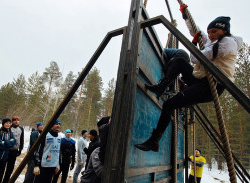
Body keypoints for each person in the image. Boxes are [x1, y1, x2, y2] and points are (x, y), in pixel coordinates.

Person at [135, 14, 242, 152]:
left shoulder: (228, 43)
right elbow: (197, 31)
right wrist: (185, 14)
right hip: (200, 79)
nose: (210, 35)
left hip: (210, 87)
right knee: (180, 62)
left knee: (169, 105)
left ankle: (154, 141)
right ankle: (161, 87)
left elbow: (196, 58)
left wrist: (194, 44)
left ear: (225, 31)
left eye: (214, 32)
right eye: (209, 32)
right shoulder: (213, 41)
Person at [80, 117, 111, 183]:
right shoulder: (97, 150)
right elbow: (100, 172)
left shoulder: (97, 144)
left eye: (90, 134)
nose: (88, 135)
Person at [2, 116, 24, 183]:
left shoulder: (21, 129)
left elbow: (22, 139)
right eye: (14, 120)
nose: (16, 121)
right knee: (3, 166)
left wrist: (20, 149)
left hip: (14, 151)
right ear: (12, 121)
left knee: (10, 168)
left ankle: (6, 181)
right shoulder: (9, 128)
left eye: (18, 120)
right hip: (7, 150)